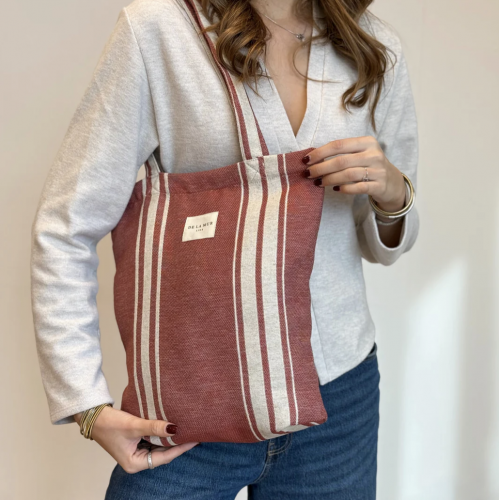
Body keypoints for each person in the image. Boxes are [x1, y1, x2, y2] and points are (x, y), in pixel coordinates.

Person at [30, 0, 419, 498]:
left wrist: (394, 192)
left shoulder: (373, 45)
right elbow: (66, 225)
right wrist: (84, 403)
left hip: (339, 397)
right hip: (192, 400)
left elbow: (386, 247)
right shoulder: (159, 30)